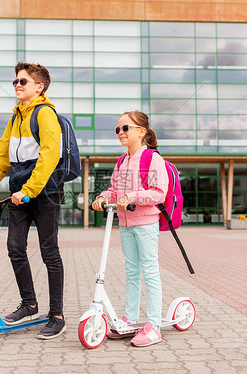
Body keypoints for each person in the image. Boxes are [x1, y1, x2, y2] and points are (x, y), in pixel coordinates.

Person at [0, 62, 66, 340]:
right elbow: (2, 156)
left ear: (39, 87)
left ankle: (57, 315)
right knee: (15, 246)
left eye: (23, 81)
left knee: (49, 252)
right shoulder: (15, 118)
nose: (17, 85)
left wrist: (30, 189)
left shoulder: (45, 114)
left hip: (44, 192)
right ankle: (29, 304)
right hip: (19, 193)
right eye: (15, 81)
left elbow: (50, 155)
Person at [92, 110, 168, 347]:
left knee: (150, 271)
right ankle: (130, 318)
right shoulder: (122, 161)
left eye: (125, 128)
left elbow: (159, 192)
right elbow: (115, 190)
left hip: (146, 223)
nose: (120, 133)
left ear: (141, 131)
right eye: (118, 129)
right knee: (132, 272)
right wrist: (104, 196)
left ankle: (154, 325)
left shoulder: (152, 159)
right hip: (125, 224)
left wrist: (133, 196)